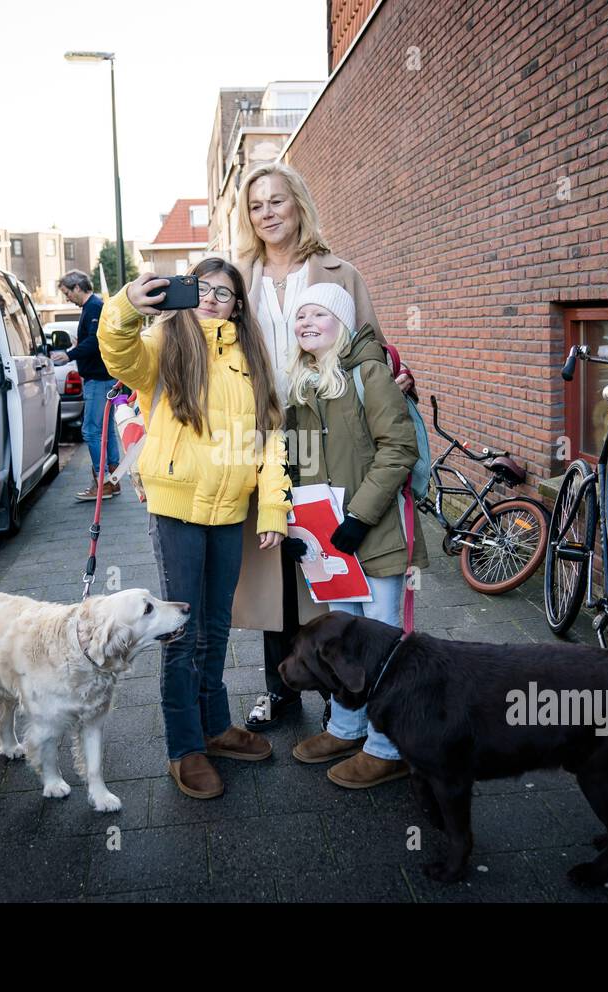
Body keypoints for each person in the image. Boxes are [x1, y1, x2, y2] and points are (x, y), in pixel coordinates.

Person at [229, 161, 414, 731]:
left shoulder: (339, 271)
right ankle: (280, 689)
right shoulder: (236, 278)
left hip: (325, 429)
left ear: (298, 204)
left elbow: (370, 348)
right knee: (274, 563)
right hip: (263, 434)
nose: (268, 213)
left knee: (328, 559)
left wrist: (392, 382)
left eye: (277, 201)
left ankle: (340, 692)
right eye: (257, 205)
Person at [97, 258, 291, 800]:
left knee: (217, 627)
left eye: (224, 294)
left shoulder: (253, 358)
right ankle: (185, 749)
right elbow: (118, 352)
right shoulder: (164, 344)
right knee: (181, 632)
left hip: (230, 512)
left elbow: (270, 440)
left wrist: (272, 509)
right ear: (188, 294)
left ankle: (215, 726)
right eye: (202, 289)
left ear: (238, 305)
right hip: (176, 508)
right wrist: (127, 306)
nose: (210, 299)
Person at [284, 283, 428, 788]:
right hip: (329, 544)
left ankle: (388, 748)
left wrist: (360, 517)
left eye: (317, 313)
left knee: (383, 644)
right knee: (343, 641)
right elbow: (297, 465)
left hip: (378, 532)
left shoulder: (369, 373)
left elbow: (397, 450)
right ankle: (348, 727)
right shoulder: (301, 386)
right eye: (298, 315)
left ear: (340, 322)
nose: (305, 322)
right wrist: (296, 526)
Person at [55, 270, 122, 501]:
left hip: (98, 379)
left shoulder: (93, 307)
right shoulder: (93, 307)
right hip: (105, 377)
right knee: (106, 430)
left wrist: (69, 354)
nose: (66, 298)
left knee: (91, 430)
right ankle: (113, 480)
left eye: (66, 293)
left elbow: (95, 341)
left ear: (77, 288)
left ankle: (101, 483)